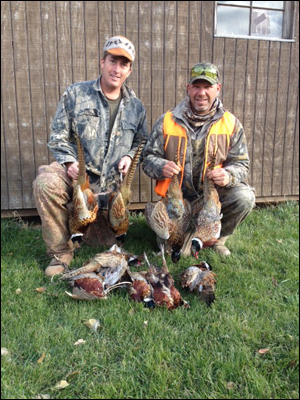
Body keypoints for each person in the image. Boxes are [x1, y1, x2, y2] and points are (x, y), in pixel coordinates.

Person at [33, 36, 147, 276]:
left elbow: (141, 142)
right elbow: (57, 137)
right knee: (46, 183)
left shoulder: (136, 107)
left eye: (123, 64)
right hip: (78, 177)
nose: (117, 69)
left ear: (130, 70)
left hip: (108, 188)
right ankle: (60, 252)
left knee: (103, 244)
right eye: (112, 61)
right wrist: (69, 162)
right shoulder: (76, 94)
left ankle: (83, 228)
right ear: (102, 62)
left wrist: (128, 156)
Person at [142, 62, 255, 257]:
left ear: (217, 89)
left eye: (207, 87)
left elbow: (242, 163)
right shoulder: (167, 121)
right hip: (177, 200)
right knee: (174, 251)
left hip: (211, 197)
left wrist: (228, 175)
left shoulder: (231, 124)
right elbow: (147, 159)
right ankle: (189, 232)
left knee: (244, 197)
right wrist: (161, 166)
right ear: (188, 88)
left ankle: (217, 238)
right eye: (196, 86)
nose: (201, 93)